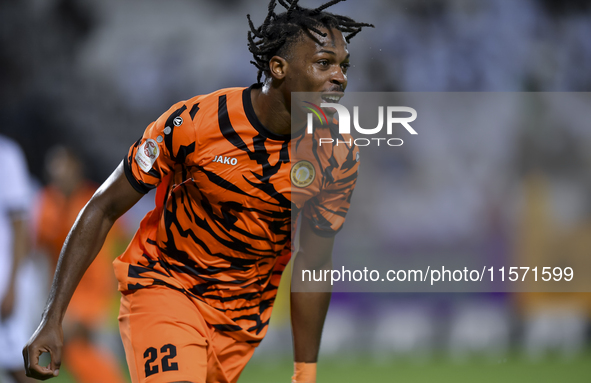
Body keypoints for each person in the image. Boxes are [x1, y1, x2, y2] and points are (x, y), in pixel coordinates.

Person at [23, 1, 373, 382]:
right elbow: (104, 207)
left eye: (343, 66)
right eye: (324, 63)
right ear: (278, 67)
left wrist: (306, 372)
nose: (339, 77)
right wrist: (52, 318)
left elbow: (313, 263)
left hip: (239, 324)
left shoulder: (336, 152)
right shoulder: (195, 123)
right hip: (165, 286)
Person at [35, 146, 128, 383]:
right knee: (80, 358)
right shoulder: (47, 203)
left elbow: (122, 242)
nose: (58, 175)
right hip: (69, 298)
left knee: (100, 356)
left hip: (99, 297)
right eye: (54, 170)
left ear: (77, 169)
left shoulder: (97, 200)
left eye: (63, 168)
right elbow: (45, 255)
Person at [0, 135, 36, 383]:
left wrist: (12, 285)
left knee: (18, 367)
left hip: (4, 277)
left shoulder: (6, 154)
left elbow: (21, 226)